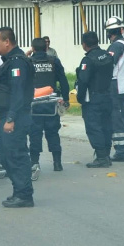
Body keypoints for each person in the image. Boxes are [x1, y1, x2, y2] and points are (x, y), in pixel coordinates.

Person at [0, 27, 35, 208]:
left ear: (7, 41)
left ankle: (24, 195)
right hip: (8, 116)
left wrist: (10, 117)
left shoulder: (17, 63)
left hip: (17, 116)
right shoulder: (9, 61)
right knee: (4, 154)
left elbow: (18, 93)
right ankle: (18, 191)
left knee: (16, 155)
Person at [28, 37, 70, 172]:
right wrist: (66, 99)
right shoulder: (54, 61)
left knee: (35, 133)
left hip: (34, 105)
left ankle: (34, 163)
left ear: (33, 49)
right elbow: (63, 81)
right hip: (51, 103)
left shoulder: (28, 62)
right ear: (46, 48)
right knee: (52, 133)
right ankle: (57, 163)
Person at [76, 31, 114, 168]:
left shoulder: (88, 60)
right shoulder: (107, 56)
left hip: (93, 98)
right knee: (106, 126)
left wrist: (80, 98)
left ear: (84, 44)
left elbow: (83, 80)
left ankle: (102, 157)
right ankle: (106, 155)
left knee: (94, 127)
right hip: (107, 96)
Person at [104, 16, 124, 162]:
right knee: (123, 117)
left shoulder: (116, 46)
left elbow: (108, 64)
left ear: (110, 33)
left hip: (115, 85)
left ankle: (122, 152)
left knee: (116, 118)